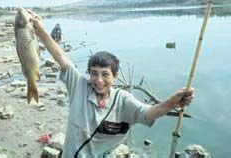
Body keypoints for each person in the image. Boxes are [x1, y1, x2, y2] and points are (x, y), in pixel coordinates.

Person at [29, 11, 194, 158]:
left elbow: (147, 114)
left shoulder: (123, 100)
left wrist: (172, 103)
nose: (99, 80)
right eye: (94, 73)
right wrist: (40, 30)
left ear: (115, 76)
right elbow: (61, 58)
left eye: (105, 74)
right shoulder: (79, 86)